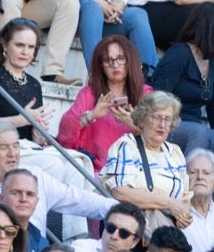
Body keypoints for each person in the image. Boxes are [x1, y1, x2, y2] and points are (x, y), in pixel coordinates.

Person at [151, 4, 214, 201]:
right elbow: (157, 100)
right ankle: (185, 198)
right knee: (198, 132)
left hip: (194, 130)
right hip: (168, 126)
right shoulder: (179, 54)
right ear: (213, 28)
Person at [99, 91, 192, 233]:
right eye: (156, 118)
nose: (162, 125)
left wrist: (183, 215)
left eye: (167, 119)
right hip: (132, 228)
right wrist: (169, 202)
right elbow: (120, 192)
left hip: (168, 228)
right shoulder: (127, 145)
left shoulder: (175, 152)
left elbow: (185, 199)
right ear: (142, 119)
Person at [57, 36, 147, 173]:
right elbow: (65, 132)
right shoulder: (89, 94)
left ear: (130, 60)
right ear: (100, 66)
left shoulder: (145, 93)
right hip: (92, 169)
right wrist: (91, 115)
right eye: (107, 60)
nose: (115, 64)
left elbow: (158, 135)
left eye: (120, 58)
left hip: (135, 170)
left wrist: (133, 125)